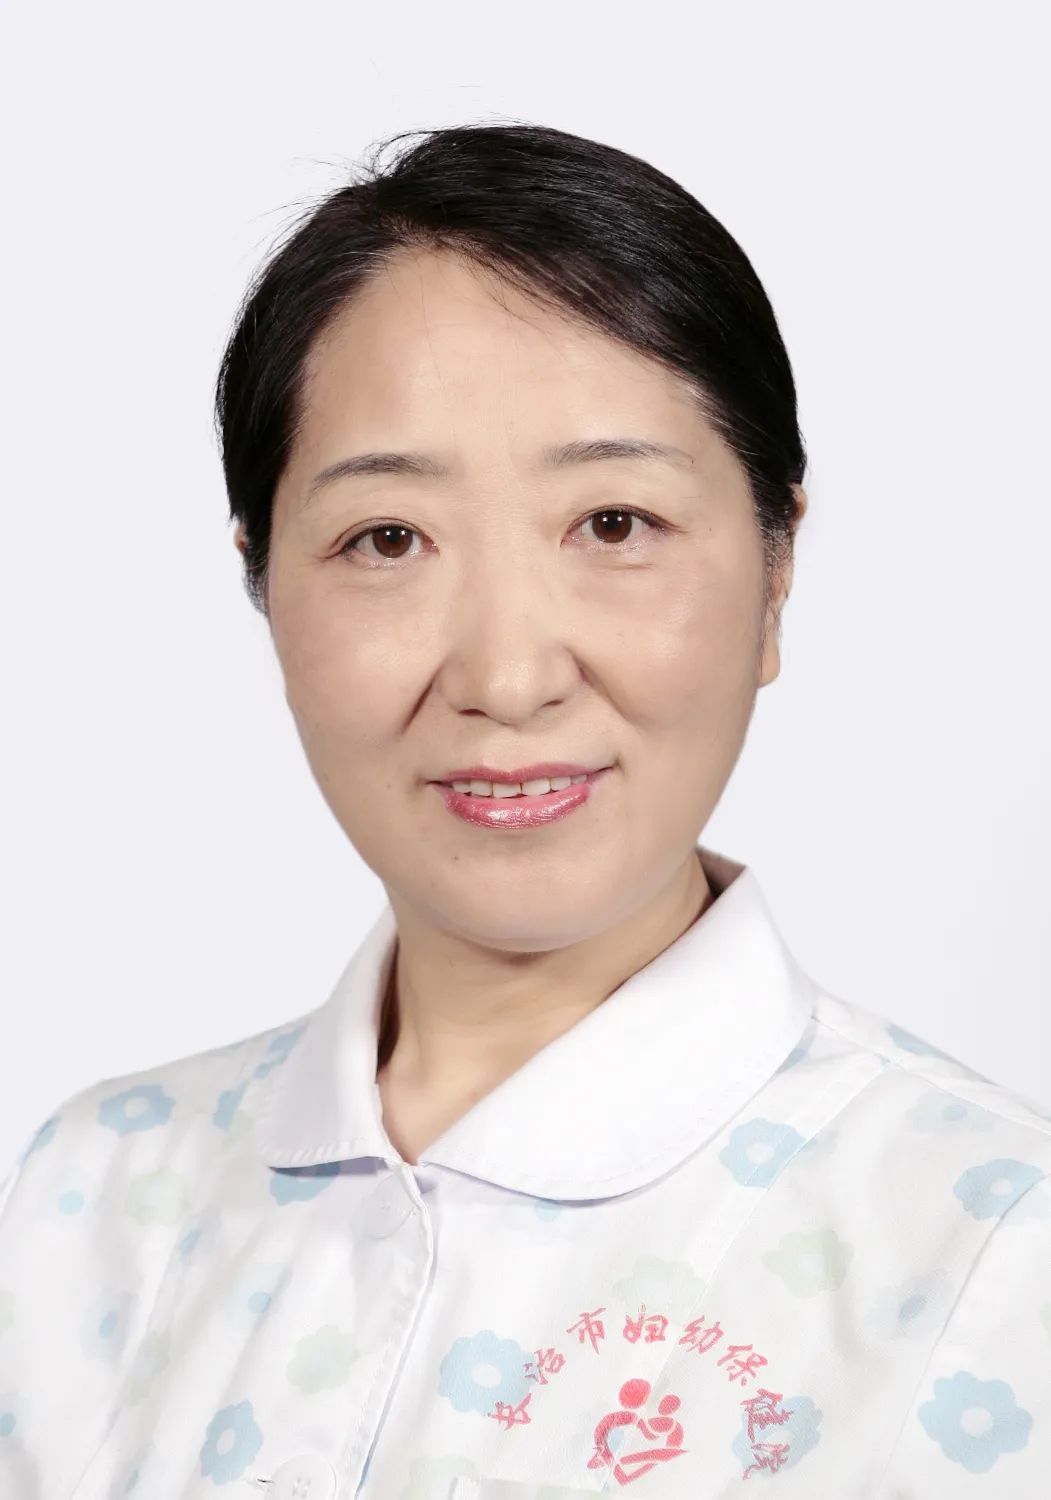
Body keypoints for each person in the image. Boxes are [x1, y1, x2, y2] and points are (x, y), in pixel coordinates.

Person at [0, 122, 1047, 1500]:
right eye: (388, 539)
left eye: (615, 524)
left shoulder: (996, 1247)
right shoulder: (86, 1202)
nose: (506, 677)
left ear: (777, 568)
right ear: (263, 584)